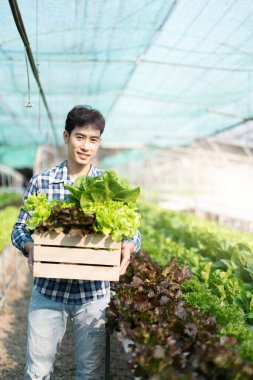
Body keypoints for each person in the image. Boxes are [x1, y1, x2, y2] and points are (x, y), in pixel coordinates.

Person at [11, 105, 141, 380]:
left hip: (92, 294)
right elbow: (19, 229)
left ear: (99, 143)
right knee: (36, 372)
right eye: (80, 137)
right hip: (48, 290)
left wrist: (128, 246)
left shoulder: (108, 184)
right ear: (66, 136)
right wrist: (30, 246)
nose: (86, 146)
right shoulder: (42, 182)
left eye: (93, 140)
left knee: (90, 372)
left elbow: (132, 230)